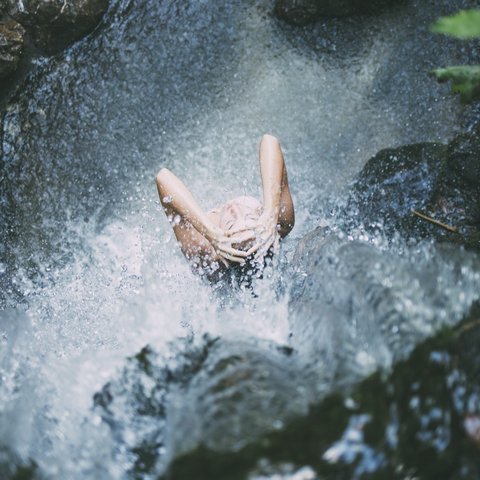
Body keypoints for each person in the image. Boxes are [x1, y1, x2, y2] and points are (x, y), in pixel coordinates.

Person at [155, 134, 294, 278]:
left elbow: (163, 177)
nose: (234, 208)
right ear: (262, 217)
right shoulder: (279, 224)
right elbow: (269, 141)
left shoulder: (204, 254)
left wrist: (209, 233)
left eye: (230, 223)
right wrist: (271, 213)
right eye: (249, 215)